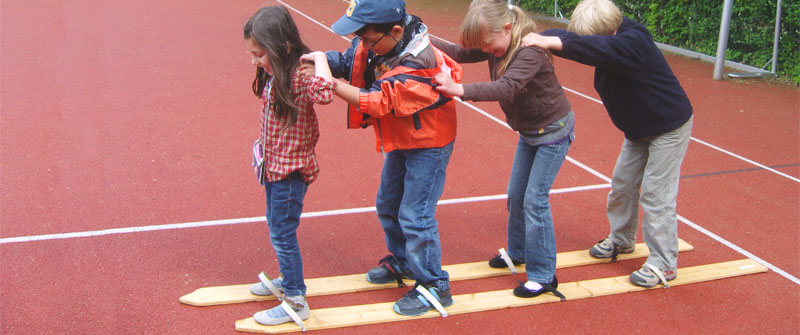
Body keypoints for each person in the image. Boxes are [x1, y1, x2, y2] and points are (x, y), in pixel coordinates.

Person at [522, 0, 693, 288]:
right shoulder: (605, 38)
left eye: (594, 39)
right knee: (622, 185)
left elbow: (591, 49)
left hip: (668, 126)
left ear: (610, 31)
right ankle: (623, 239)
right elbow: (573, 40)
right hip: (638, 129)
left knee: (655, 195)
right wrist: (538, 37)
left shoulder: (633, 42)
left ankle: (664, 263)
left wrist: (549, 41)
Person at [308, 0, 462, 316]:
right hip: (402, 138)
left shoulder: (419, 61)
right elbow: (351, 60)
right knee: (388, 204)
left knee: (415, 214)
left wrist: (332, 86)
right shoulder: (381, 43)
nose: (363, 45)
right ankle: (404, 260)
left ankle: (435, 285)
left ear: (394, 31)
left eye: (367, 40)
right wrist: (318, 59)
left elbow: (378, 101)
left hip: (429, 144)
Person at [432, 0, 573, 299]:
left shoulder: (529, 52)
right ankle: (518, 251)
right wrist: (421, 39)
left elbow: (506, 87)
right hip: (529, 131)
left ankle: (544, 275)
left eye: (488, 45)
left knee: (535, 200)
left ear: (507, 29)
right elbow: (458, 51)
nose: (486, 52)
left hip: (552, 132)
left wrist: (460, 90)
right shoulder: (494, 41)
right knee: (516, 194)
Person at [242, 6, 337, 326]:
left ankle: (296, 298)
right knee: (275, 226)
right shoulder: (276, 73)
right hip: (273, 166)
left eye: (259, 54)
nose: (255, 62)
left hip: (290, 171)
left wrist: (320, 58)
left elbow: (325, 94)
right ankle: (286, 278)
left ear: (281, 46)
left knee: (282, 233)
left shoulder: (298, 73)